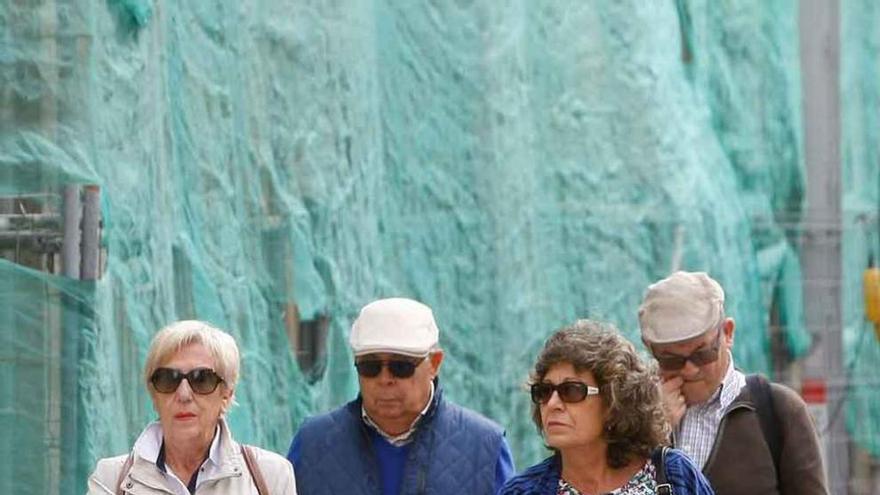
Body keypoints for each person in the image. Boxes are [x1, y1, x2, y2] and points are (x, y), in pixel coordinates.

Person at [288, 297, 515, 494]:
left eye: (401, 366)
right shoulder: (312, 443)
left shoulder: (486, 448)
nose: (385, 379)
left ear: (434, 363)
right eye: (370, 366)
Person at [638, 271, 828, 495]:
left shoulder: (779, 410)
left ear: (727, 333)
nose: (690, 369)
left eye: (703, 353)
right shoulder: (632, 417)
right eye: (672, 359)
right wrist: (650, 430)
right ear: (650, 349)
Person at [500, 320, 713, 495]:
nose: (553, 404)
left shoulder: (672, 474)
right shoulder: (521, 491)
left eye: (571, 391)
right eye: (544, 392)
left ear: (614, 401)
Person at [87, 320, 297, 494]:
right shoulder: (112, 479)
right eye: (168, 379)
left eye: (201, 379)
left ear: (227, 393)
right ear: (154, 394)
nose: (184, 394)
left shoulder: (270, 476)